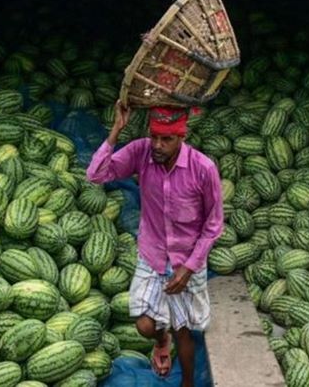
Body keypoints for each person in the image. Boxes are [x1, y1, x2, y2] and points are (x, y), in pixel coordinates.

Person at [86, 99, 224, 386]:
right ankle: (161, 340)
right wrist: (116, 130)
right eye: (155, 137)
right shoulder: (141, 152)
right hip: (152, 256)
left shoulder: (203, 169)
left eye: (167, 139)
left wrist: (188, 269)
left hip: (187, 261)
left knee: (183, 330)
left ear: (181, 137)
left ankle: (187, 382)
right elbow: (96, 174)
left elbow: (213, 225)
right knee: (144, 325)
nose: (158, 145)